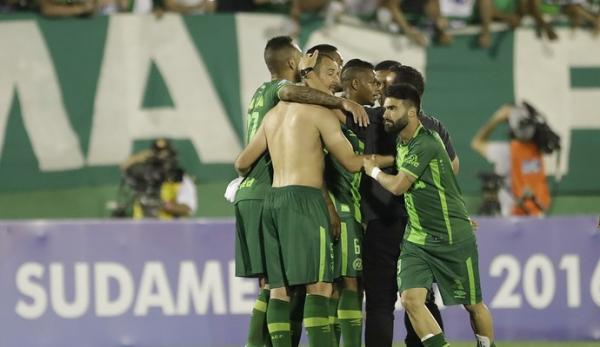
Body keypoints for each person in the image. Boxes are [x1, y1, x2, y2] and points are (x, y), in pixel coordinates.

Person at [230, 36, 368, 347]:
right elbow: (347, 161)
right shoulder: (294, 98)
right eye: (331, 72)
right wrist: (342, 102)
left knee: (276, 287)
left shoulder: (267, 108)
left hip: (263, 198)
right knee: (319, 286)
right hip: (300, 198)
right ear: (296, 65)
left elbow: (240, 162)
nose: (336, 81)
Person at [364, 83, 497, 347]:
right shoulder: (404, 143)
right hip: (417, 240)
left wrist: (373, 170)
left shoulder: (426, 142)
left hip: (451, 237)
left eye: (392, 108)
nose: (385, 113)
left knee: (472, 304)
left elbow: (399, 185)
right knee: (411, 300)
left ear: (412, 112)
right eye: (385, 107)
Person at [362, 62, 457, 347]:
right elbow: (452, 169)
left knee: (380, 303)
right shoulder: (433, 126)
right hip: (422, 225)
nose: (381, 91)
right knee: (422, 300)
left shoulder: (372, 118)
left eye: (386, 86)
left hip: (382, 221)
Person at [323, 59, 386, 347]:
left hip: (353, 211)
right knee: (349, 283)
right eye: (372, 81)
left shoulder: (366, 119)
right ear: (356, 84)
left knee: (341, 286)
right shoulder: (331, 114)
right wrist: (331, 208)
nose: (377, 87)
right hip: (341, 211)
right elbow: (318, 166)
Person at [471, 102, 552, 216]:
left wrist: (496, 119)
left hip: (512, 219)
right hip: (538, 216)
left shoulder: (505, 151)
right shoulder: (537, 150)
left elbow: (476, 142)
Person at [121, 138, 198, 220]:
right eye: (158, 153)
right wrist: (145, 155)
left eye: (165, 155)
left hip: (170, 229)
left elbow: (187, 208)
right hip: (141, 227)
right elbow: (124, 167)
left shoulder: (181, 179)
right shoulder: (144, 176)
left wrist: (163, 205)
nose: (161, 159)